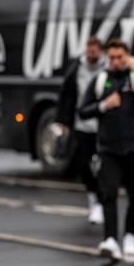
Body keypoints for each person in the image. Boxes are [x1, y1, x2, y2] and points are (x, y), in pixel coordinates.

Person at [79, 38, 134, 261]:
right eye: (111, 57)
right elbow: (83, 111)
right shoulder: (101, 79)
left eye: (120, 57)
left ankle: (130, 235)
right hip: (108, 149)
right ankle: (111, 239)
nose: (115, 61)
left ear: (128, 56)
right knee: (108, 193)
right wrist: (103, 105)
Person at [55, 36, 106, 224]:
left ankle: (101, 202)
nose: (91, 52)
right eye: (88, 49)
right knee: (83, 165)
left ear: (100, 51)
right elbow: (67, 94)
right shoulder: (77, 67)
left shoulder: (107, 68)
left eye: (95, 49)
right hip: (81, 125)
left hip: (102, 126)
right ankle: (93, 198)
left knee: (101, 166)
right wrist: (63, 121)